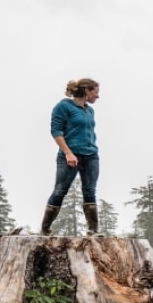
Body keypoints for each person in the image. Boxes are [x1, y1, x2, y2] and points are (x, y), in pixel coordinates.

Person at [40, 78, 101, 235]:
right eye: (96, 91)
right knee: (60, 190)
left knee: (90, 190)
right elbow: (56, 132)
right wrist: (68, 153)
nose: (98, 96)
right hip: (70, 155)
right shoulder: (63, 106)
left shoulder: (89, 110)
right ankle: (45, 229)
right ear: (86, 90)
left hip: (91, 155)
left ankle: (93, 230)